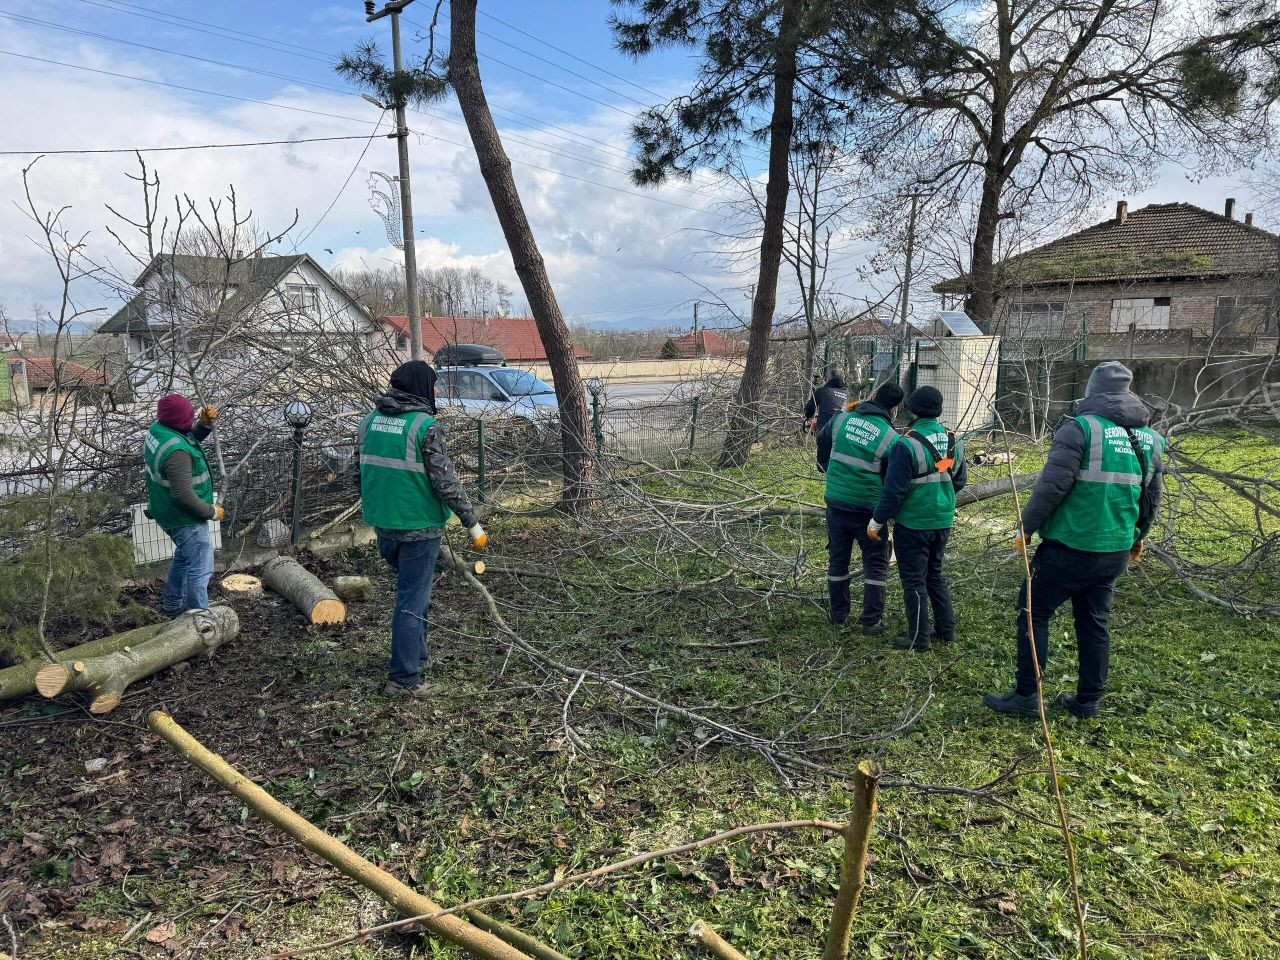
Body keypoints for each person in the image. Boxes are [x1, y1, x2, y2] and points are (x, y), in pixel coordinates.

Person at [985, 361, 1164, 719]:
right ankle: (1088, 701)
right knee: (1094, 622)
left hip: (1069, 546)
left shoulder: (1080, 429)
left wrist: (1026, 526)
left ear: (1093, 391)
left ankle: (1026, 695)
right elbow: (1151, 495)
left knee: (1033, 613)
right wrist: (1139, 535)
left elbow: (1052, 486)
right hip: (1114, 549)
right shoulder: (1152, 439)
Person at [357, 360, 488, 700]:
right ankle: (404, 679)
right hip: (419, 525)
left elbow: (358, 475)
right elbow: (446, 482)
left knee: (413, 596)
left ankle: (415, 656)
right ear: (422, 387)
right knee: (411, 602)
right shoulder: (424, 426)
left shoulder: (368, 422)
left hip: (384, 525)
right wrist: (471, 523)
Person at [868, 386, 967, 651]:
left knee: (913, 580)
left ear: (911, 409)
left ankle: (919, 638)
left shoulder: (906, 443)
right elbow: (959, 480)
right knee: (934, 574)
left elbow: (894, 490)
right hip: (943, 519)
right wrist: (940, 496)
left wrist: (878, 520)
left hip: (913, 523)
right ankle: (946, 630)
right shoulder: (953, 440)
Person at [817, 382, 904, 632]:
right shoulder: (891, 438)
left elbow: (822, 441)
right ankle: (871, 621)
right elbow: (891, 480)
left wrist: (827, 469)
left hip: (835, 502)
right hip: (869, 511)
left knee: (838, 560)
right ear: (894, 409)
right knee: (876, 564)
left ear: (873, 396)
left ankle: (838, 615)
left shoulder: (840, 420)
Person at [143, 394, 222, 616]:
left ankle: (172, 604)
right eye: (189, 417)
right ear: (181, 421)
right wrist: (210, 511)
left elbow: (185, 438)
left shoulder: (159, 430)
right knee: (200, 567)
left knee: (185, 558)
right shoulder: (176, 453)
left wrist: (203, 426)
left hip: (164, 510)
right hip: (183, 517)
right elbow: (184, 496)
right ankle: (199, 618)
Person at [804, 371, 849, 440]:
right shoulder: (848, 395)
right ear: (843, 380)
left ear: (829, 379)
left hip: (825, 432)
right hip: (842, 433)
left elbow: (808, 411)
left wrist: (813, 417)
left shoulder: (822, 391)